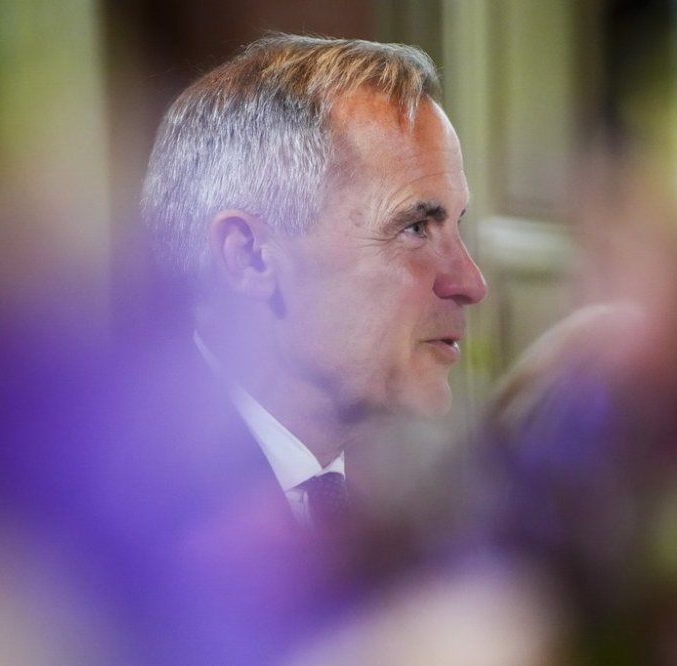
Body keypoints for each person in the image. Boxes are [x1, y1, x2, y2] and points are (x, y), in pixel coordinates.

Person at [140, 33, 487, 534]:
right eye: (415, 228)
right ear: (249, 256)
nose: (470, 283)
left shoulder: (424, 503)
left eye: (457, 226)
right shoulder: (125, 521)